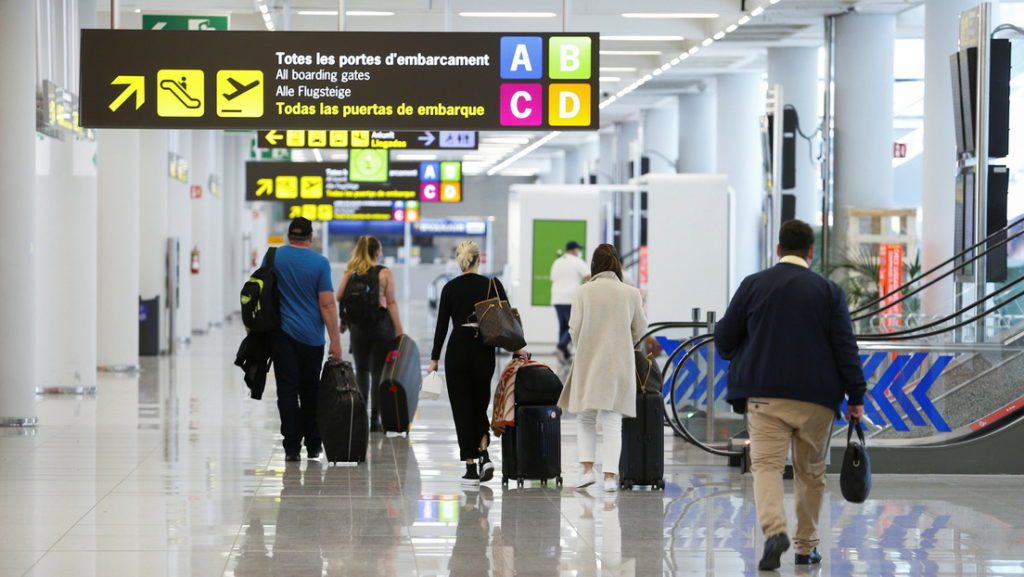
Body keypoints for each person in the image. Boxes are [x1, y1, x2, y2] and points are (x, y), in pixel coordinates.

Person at [713, 219, 866, 571]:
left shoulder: (753, 285)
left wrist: (749, 350)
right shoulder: (828, 292)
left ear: (778, 249)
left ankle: (774, 531)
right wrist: (856, 396)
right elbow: (846, 348)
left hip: (765, 397)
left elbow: (723, 339)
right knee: (810, 473)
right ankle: (805, 546)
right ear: (810, 252)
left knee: (765, 466)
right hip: (817, 399)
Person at [558, 244, 648, 493]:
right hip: (619, 361)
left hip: (590, 360)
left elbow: (574, 328)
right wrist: (623, 341)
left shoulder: (584, 292)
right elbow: (640, 329)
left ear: (594, 266)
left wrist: (584, 345)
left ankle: (587, 470)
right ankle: (610, 477)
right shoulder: (631, 293)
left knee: (586, 416)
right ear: (617, 264)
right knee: (612, 419)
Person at [430, 240, 517, 486]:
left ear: (460, 261)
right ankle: (485, 453)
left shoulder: (449, 287)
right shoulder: (492, 284)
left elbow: (441, 326)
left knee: (461, 407)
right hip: (483, 347)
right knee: (480, 403)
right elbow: (508, 319)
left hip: (458, 347)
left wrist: (434, 358)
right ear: (479, 259)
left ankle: (470, 466)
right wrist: (517, 347)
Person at [270, 217, 342, 462]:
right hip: (311, 339)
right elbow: (327, 303)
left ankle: (291, 447)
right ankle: (313, 445)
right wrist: (335, 340)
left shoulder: (274, 258)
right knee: (311, 392)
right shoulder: (320, 263)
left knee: (287, 392)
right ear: (311, 238)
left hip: (281, 337)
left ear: (289, 235)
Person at [336, 236, 404, 432]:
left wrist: (347, 318)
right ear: (376, 251)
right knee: (378, 374)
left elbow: (339, 295)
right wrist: (399, 329)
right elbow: (390, 302)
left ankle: (360, 418)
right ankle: (375, 420)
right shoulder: (384, 273)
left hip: (358, 329)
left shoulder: (351, 272)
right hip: (381, 327)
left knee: (362, 372)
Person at [549, 241, 590, 363]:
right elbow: (588, 276)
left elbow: (552, 279)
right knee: (574, 326)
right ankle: (560, 347)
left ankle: (564, 354)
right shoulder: (577, 261)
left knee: (563, 326)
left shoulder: (557, 262)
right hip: (570, 298)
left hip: (557, 298)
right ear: (574, 250)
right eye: (578, 250)